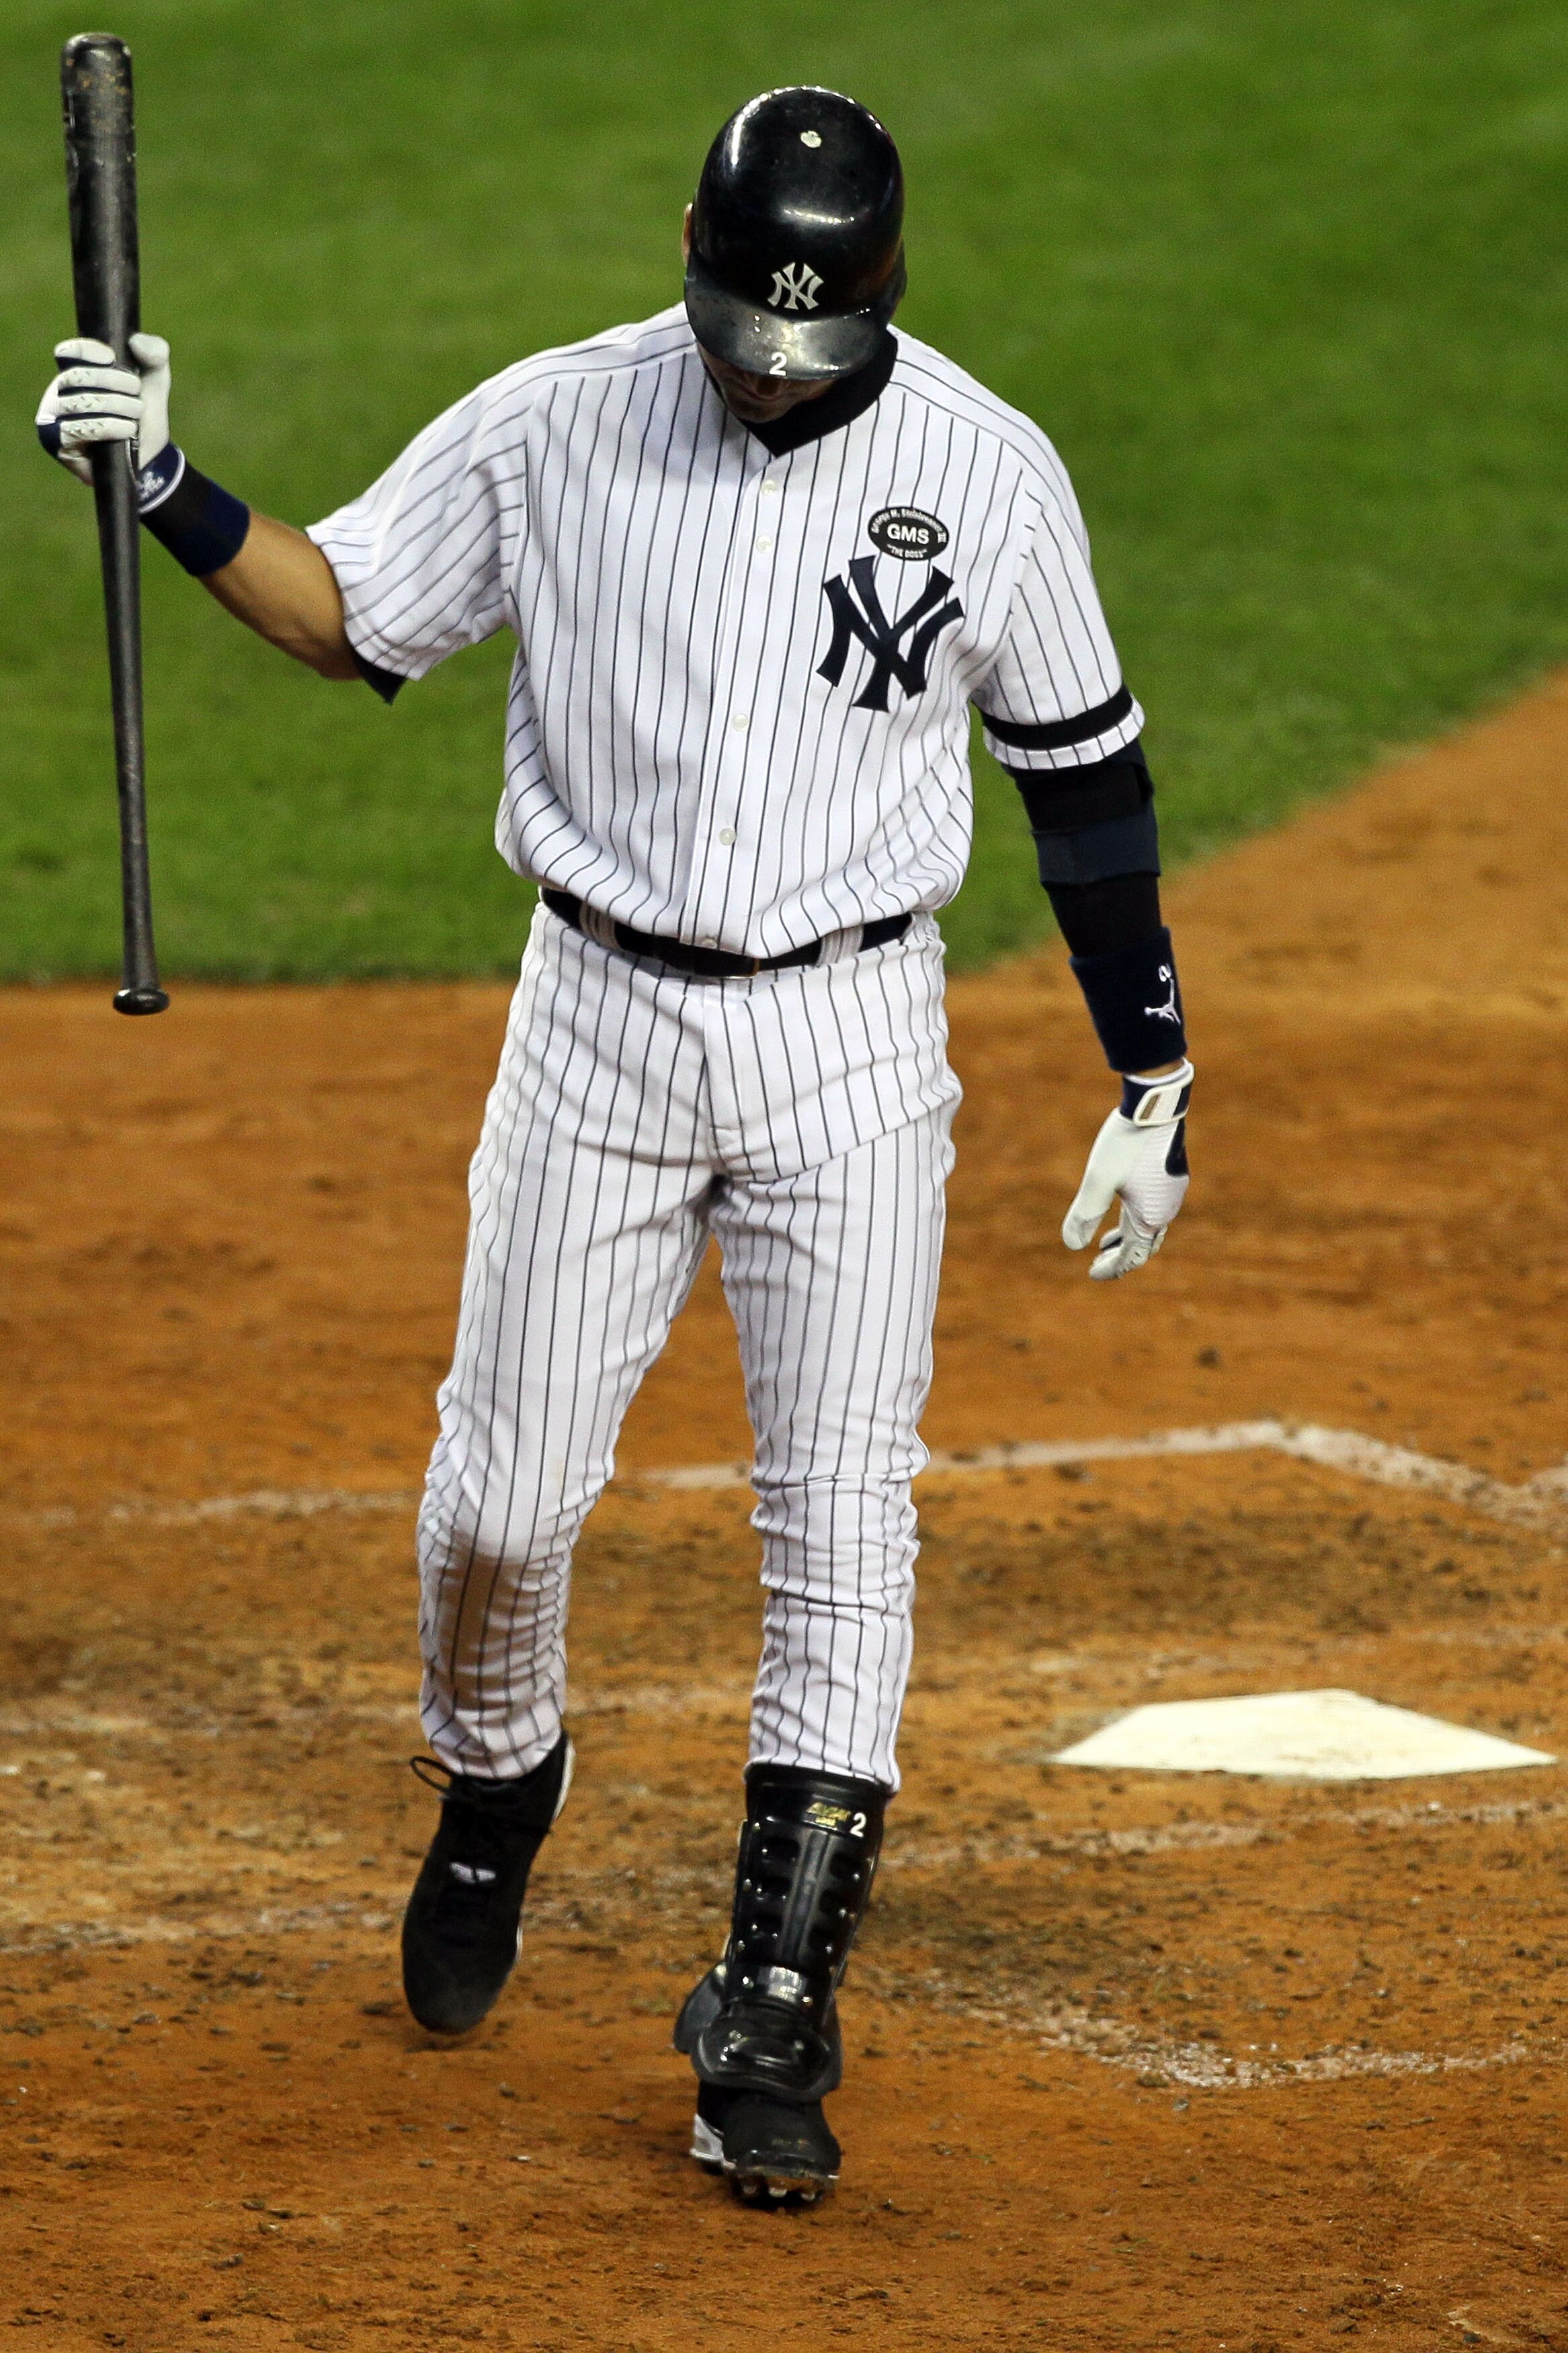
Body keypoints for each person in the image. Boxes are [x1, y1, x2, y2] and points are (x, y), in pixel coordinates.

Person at [38, 85, 1192, 2207]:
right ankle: (496, 1782)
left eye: (809, 346)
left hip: (853, 1036)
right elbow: (346, 615)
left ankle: (771, 1999)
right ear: (689, 250)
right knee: (495, 1510)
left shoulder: (990, 474)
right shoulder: (558, 426)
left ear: (883, 301)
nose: (768, 377)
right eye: (744, 335)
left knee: (842, 1519)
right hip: (599, 1023)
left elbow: (1084, 776)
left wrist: (1153, 1071)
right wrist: (169, 484)